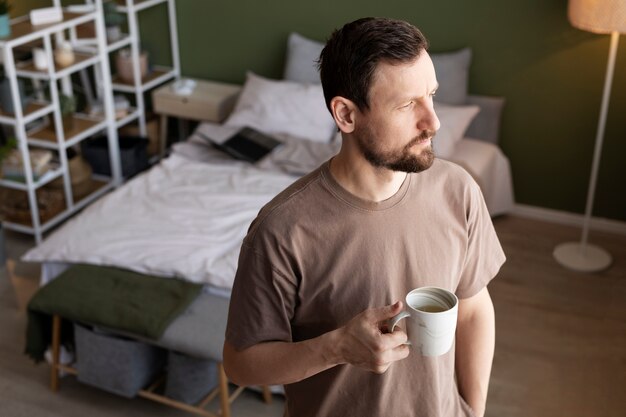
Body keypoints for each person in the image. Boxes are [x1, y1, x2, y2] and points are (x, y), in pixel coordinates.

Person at [223, 17, 505, 417]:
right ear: (346, 115)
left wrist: (473, 412)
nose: (433, 122)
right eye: (408, 104)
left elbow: (474, 309)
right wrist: (335, 347)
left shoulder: (458, 190)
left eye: (432, 96)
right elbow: (240, 364)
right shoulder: (281, 230)